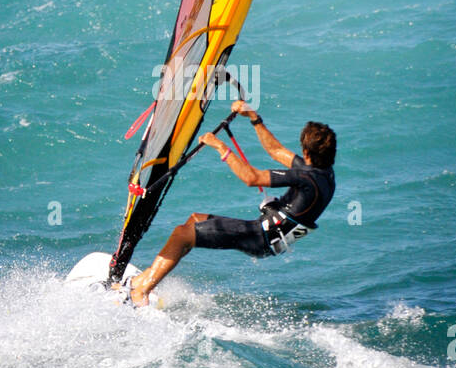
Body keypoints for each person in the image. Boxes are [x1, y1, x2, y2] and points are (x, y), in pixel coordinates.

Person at [126, 100, 336, 306]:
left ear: (307, 153)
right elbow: (276, 151)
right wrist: (254, 118)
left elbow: (251, 178)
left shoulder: (306, 178)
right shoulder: (325, 174)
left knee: (182, 234)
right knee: (194, 221)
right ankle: (145, 279)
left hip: (258, 237)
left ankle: (141, 293)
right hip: (266, 236)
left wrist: (219, 146)